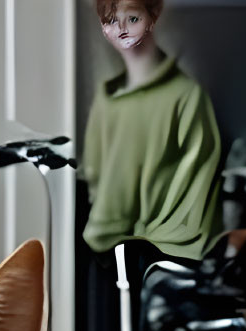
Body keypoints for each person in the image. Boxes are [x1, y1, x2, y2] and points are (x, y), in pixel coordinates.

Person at [82, 0, 222, 262]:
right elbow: (95, 172)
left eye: (132, 19)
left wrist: (156, 238)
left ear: (153, 17)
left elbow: (197, 179)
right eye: (112, 21)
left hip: (164, 251)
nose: (122, 30)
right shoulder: (106, 99)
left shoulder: (186, 95)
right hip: (104, 246)